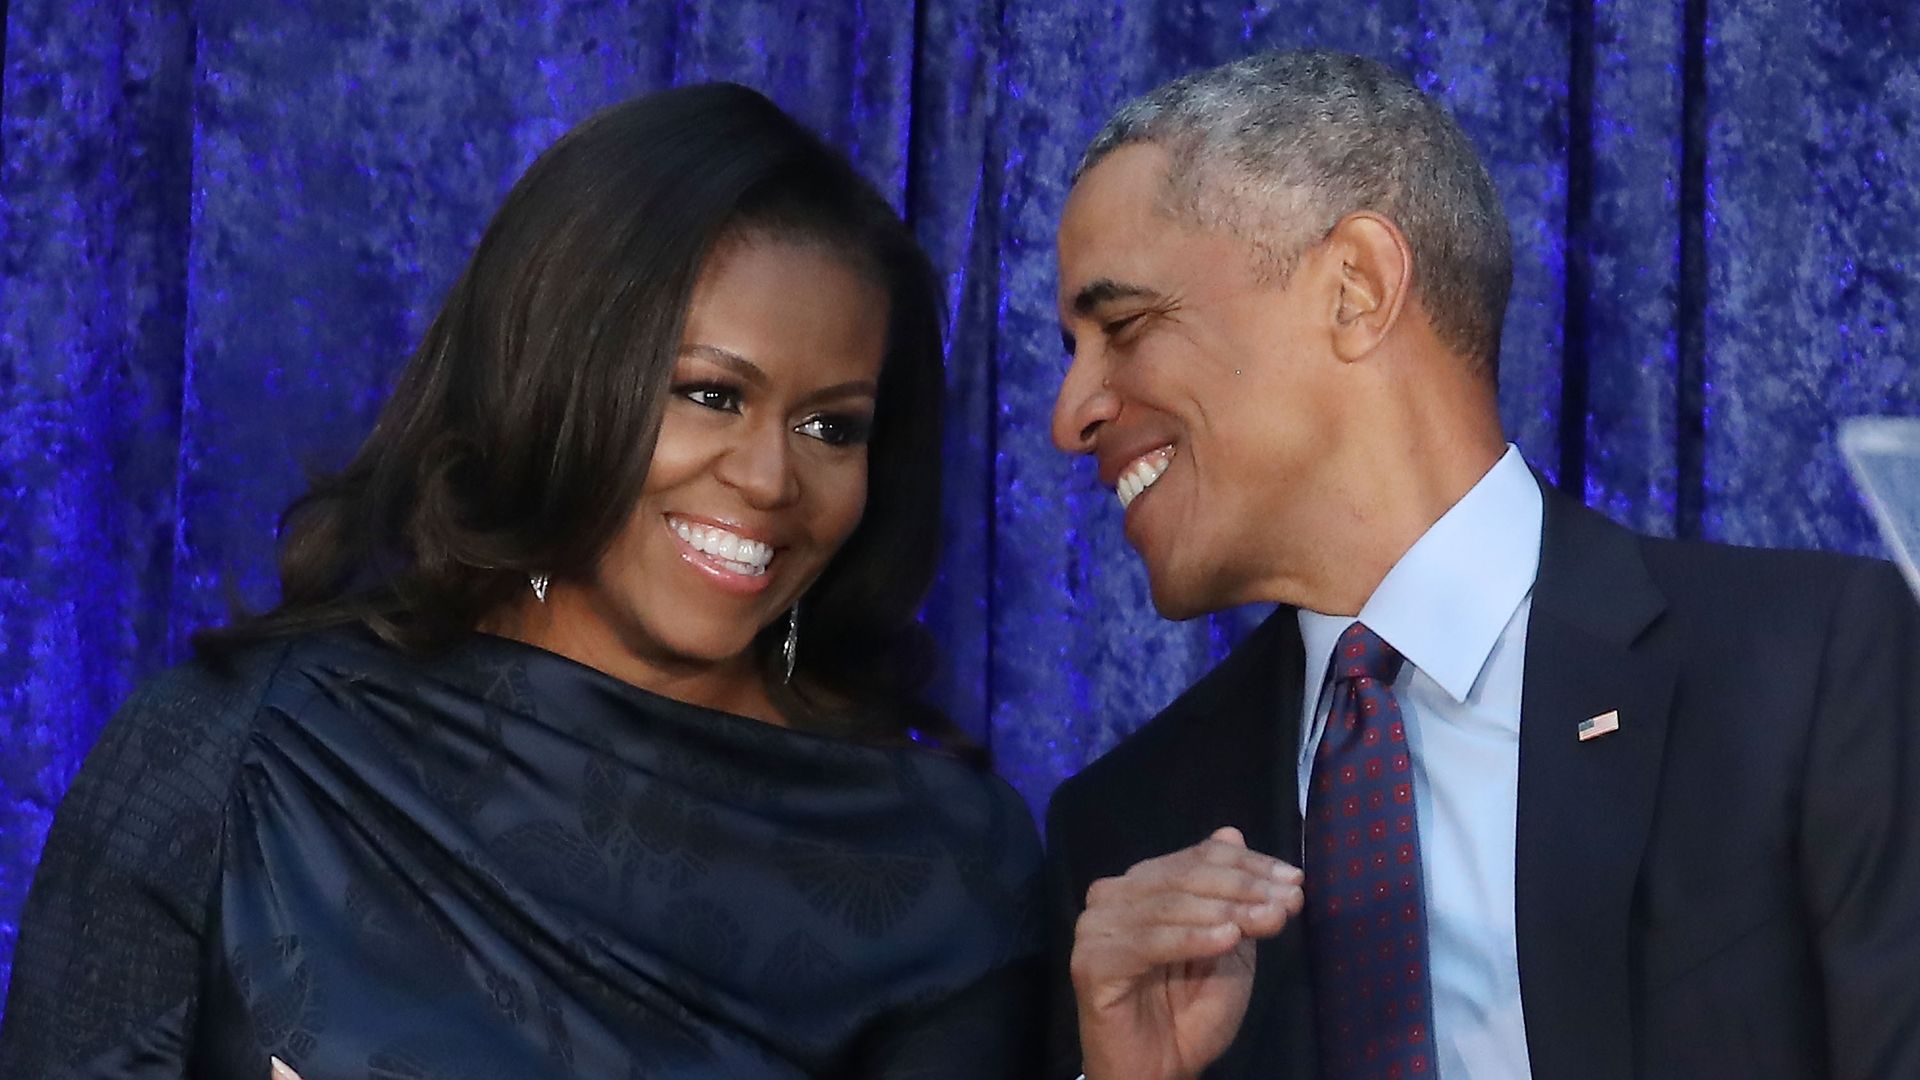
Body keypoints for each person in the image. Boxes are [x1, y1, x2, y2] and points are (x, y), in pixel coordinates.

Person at [0, 83, 1044, 1079]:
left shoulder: (939, 869)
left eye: (831, 426)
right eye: (711, 395)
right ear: (552, 380)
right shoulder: (236, 750)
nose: (772, 477)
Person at [1042, 48, 1920, 1080]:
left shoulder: (1807, 669)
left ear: (1357, 288)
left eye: (1126, 326)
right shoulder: (1129, 828)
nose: (1073, 416)